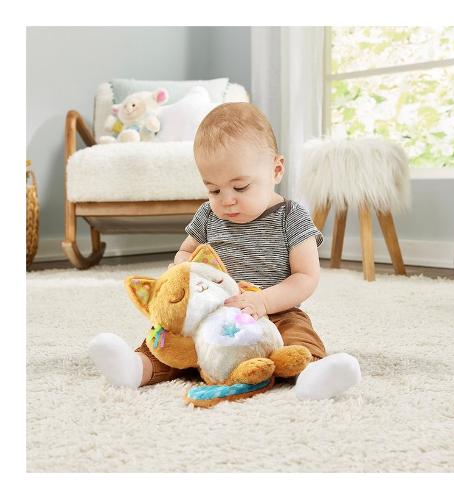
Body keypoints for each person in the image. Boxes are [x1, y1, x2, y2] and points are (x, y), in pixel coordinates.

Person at [89, 102, 361, 400]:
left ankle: (313, 374)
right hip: (208, 316)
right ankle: (138, 367)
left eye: (240, 187)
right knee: (170, 339)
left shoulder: (291, 217)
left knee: (298, 335)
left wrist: (264, 301)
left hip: (275, 313)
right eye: (214, 190)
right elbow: (185, 253)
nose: (227, 200)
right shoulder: (208, 215)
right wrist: (182, 271)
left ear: (276, 170)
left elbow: (306, 276)